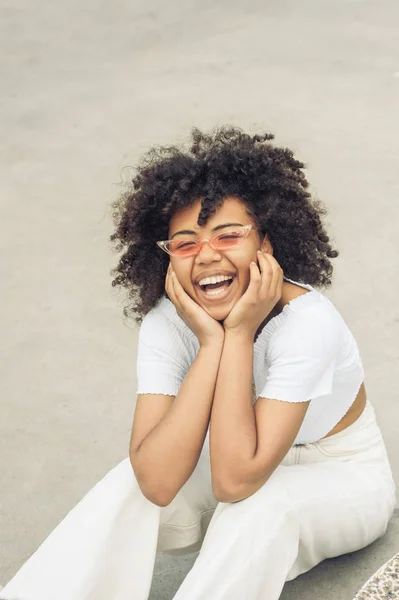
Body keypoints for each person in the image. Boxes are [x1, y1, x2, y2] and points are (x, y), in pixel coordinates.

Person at [2, 127, 396, 600]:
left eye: (229, 235)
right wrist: (212, 344)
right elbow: (156, 480)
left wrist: (240, 331)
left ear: (266, 244)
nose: (207, 255)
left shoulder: (308, 324)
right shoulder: (169, 323)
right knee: (130, 477)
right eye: (185, 244)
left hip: (344, 476)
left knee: (259, 507)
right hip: (244, 453)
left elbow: (233, 480)